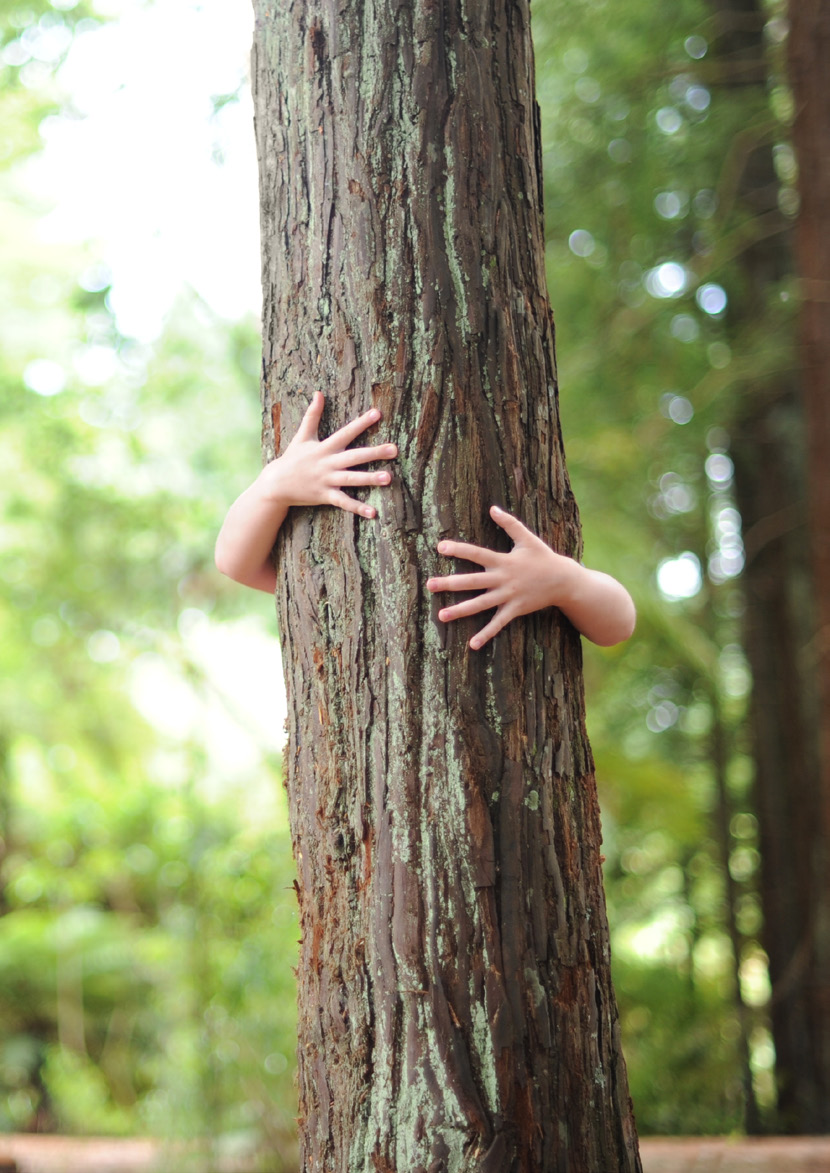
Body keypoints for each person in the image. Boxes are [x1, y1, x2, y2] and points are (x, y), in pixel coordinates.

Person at [215, 392, 636, 648]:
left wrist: (565, 579)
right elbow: (236, 562)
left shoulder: (539, 573)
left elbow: (618, 623)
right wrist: (272, 485)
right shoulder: (315, 572)